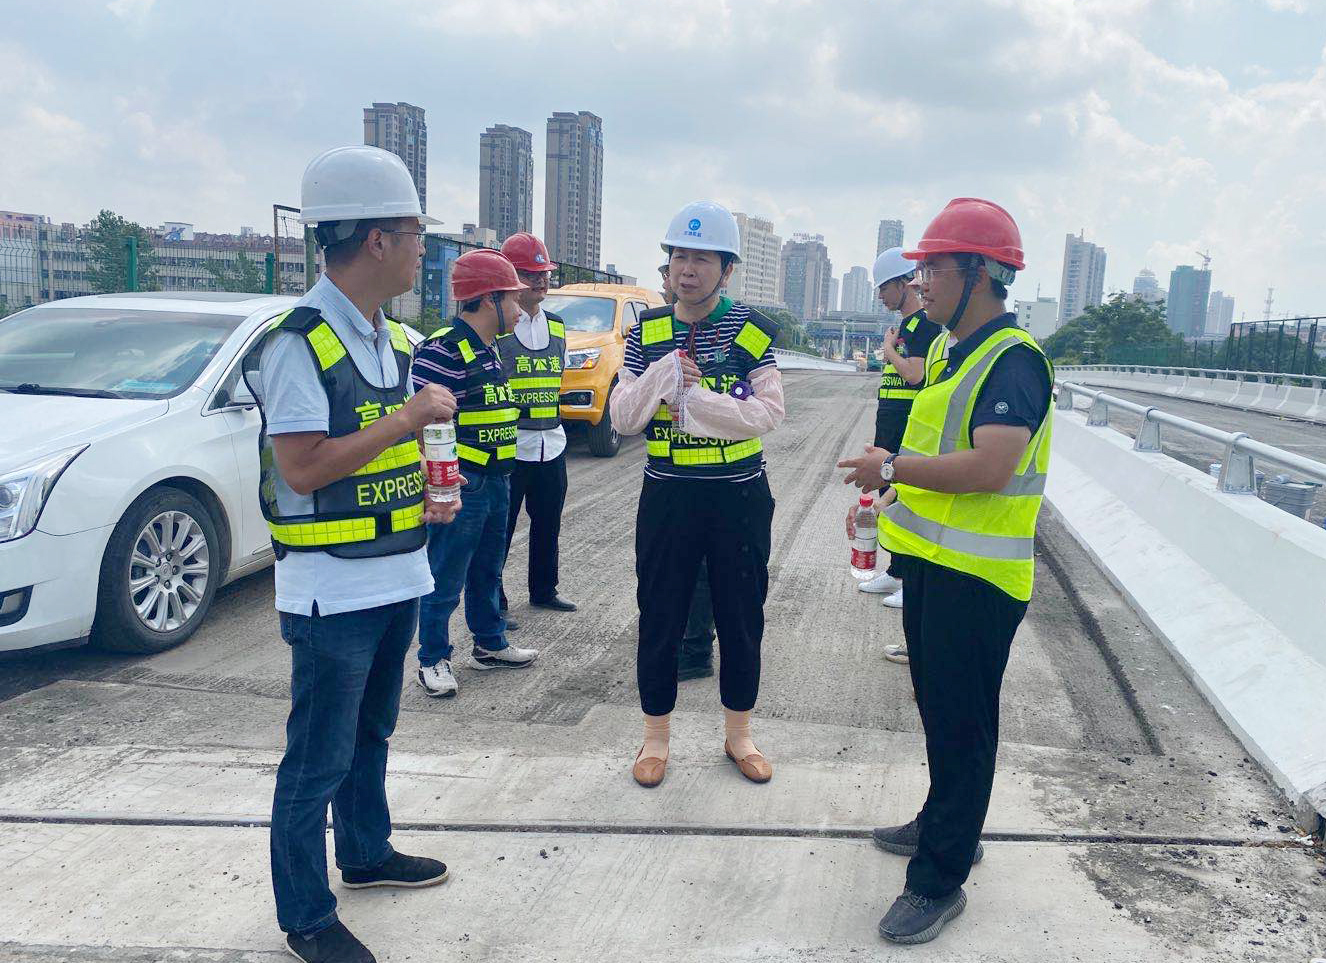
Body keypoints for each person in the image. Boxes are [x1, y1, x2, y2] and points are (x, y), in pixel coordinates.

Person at [246, 145, 459, 963]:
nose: (420, 250)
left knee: (372, 731)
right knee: (317, 757)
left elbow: (385, 449)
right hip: (330, 590)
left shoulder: (392, 337)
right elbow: (302, 467)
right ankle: (305, 914)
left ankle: (366, 851)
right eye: (414, 235)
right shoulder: (299, 343)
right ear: (376, 240)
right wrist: (406, 421)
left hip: (397, 569)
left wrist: (431, 485)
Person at [838, 198, 1053, 945]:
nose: (920, 281)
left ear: (981, 273)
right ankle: (943, 820)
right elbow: (938, 454)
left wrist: (892, 465)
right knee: (937, 708)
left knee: (963, 723)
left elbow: (991, 467)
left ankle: (939, 879)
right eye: (920, 268)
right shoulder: (953, 352)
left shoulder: (1013, 360)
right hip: (934, 564)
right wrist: (886, 496)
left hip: (979, 579)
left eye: (934, 268)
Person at [610, 200, 785, 787]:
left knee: (741, 616)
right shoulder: (646, 331)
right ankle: (655, 738)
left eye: (702, 258)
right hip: (668, 496)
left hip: (739, 498)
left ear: (726, 269)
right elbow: (624, 417)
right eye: (679, 256)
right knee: (659, 615)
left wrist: (694, 402)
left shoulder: (752, 329)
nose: (688, 269)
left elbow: (767, 413)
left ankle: (740, 735)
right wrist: (662, 376)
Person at [412, 250, 540, 699]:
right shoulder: (444, 349)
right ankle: (432, 658)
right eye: (513, 298)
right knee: (445, 574)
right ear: (489, 299)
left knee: (488, 570)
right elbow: (423, 424)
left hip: (497, 479)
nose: (520, 308)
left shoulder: (488, 348)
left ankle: (489, 643)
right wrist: (440, 485)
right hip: (464, 483)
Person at [856, 248, 943, 656]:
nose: (880, 296)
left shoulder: (922, 324)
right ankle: (896, 570)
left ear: (903, 284)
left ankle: (909, 576)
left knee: (902, 496)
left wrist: (888, 351)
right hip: (891, 418)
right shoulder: (907, 324)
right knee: (885, 492)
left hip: (907, 420)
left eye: (884, 288)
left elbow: (915, 374)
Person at [496, 232, 578, 615]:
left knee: (548, 524)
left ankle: (544, 590)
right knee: (500, 530)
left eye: (544, 273)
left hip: (551, 443)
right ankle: (493, 601)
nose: (541, 281)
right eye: (531, 274)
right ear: (510, 276)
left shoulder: (558, 326)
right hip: (511, 446)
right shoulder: (498, 328)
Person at [659, 259, 717, 682]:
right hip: (666, 478)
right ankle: (680, 639)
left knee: (700, 572)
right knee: (668, 570)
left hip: (715, 479)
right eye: (674, 266)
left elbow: (761, 412)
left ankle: (696, 648)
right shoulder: (652, 330)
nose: (681, 276)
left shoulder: (727, 331)